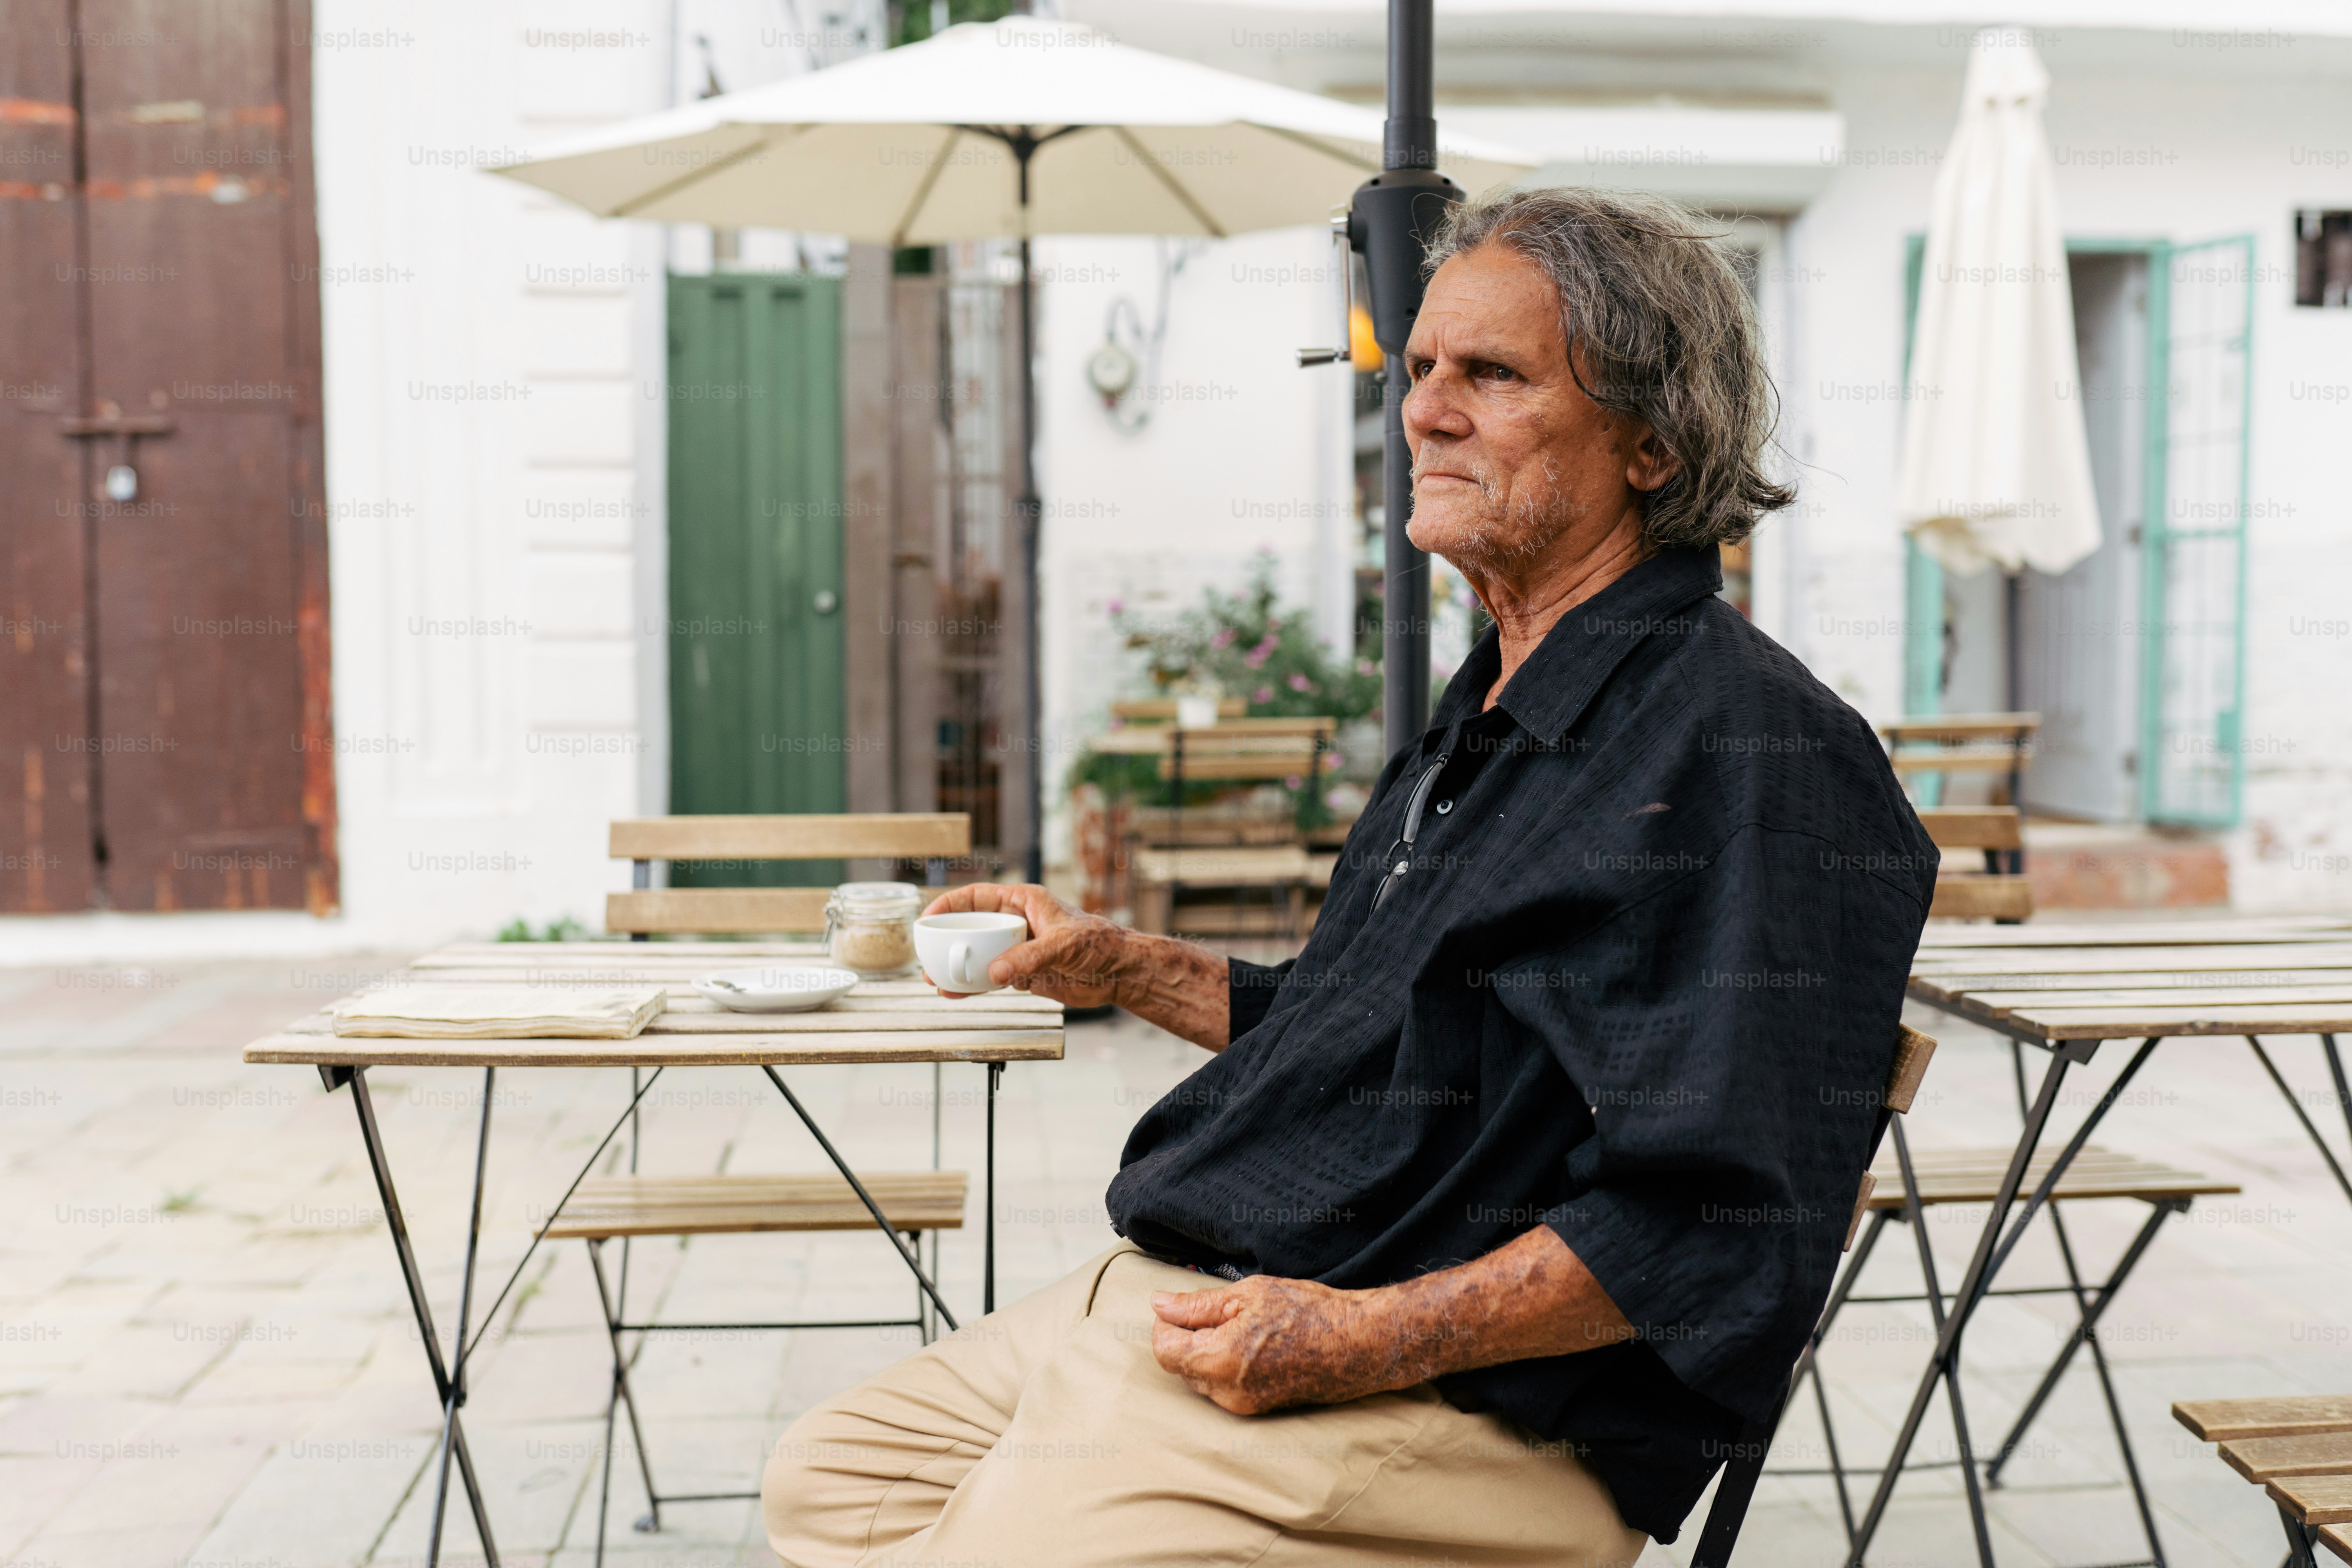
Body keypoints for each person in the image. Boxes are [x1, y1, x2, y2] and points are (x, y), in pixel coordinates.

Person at [762, 186, 1938, 1568]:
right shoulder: (1496, 703)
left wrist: (1351, 1341)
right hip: (1237, 1301)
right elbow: (1358, 1032)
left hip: (1461, 1407)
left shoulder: (1746, 748)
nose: (1423, 411)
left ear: (1654, 446)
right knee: (831, 1484)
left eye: (1491, 376)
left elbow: (1716, 1223)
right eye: (1420, 367)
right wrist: (1116, 962)